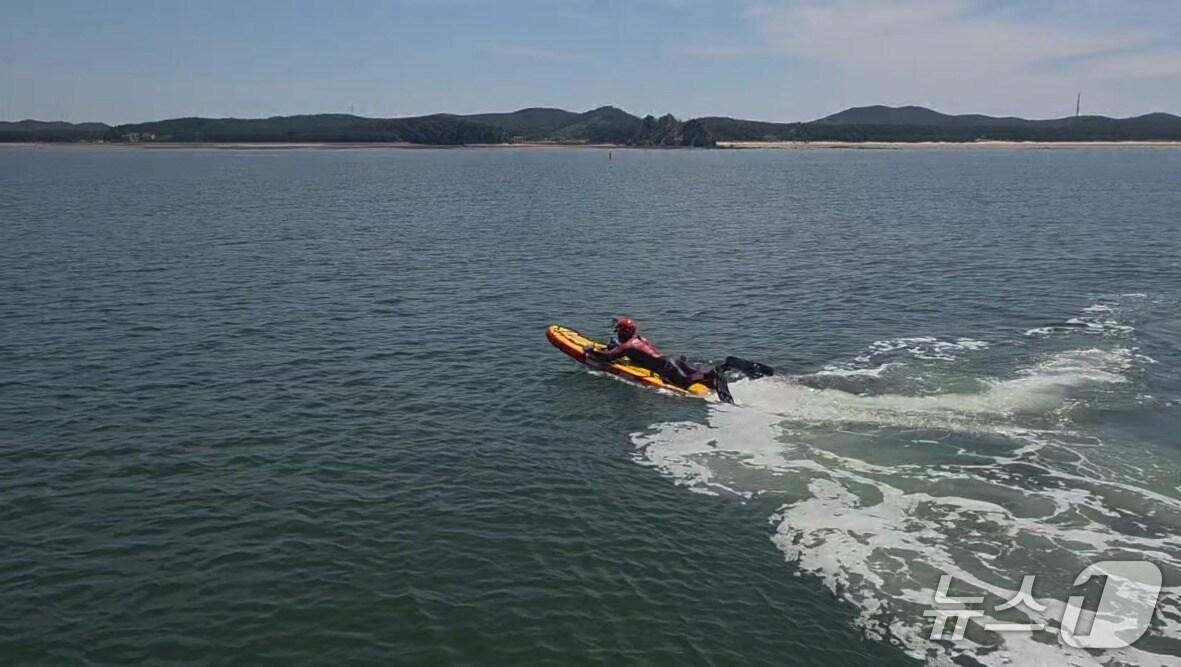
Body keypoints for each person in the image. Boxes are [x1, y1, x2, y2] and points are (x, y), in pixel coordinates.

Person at [583, 319, 773, 400]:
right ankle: (730, 364)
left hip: (668, 367)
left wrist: (591, 351)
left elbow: (608, 357)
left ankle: (718, 372)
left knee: (689, 381)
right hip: (673, 359)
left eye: (618, 330)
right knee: (697, 373)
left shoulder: (627, 346)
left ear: (623, 332)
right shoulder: (640, 339)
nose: (616, 332)